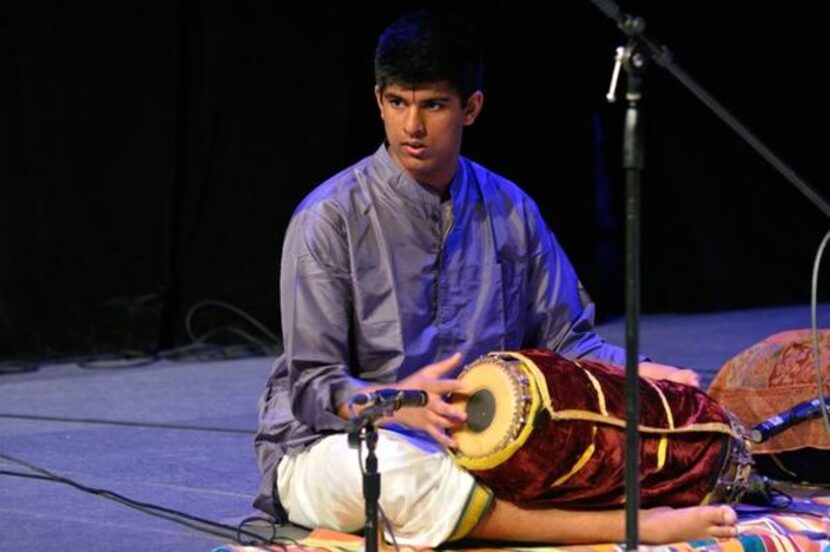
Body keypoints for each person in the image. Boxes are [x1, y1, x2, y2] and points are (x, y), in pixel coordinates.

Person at [254, 10, 736, 547]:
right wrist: (398, 402)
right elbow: (313, 386)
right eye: (398, 103)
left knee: (621, 443)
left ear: (471, 108)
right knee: (393, 470)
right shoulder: (329, 218)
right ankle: (630, 527)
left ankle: (501, 508)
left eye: (433, 105)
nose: (412, 126)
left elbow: (567, 341)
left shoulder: (511, 210)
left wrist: (646, 375)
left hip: (483, 446)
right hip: (343, 445)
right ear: (379, 101)